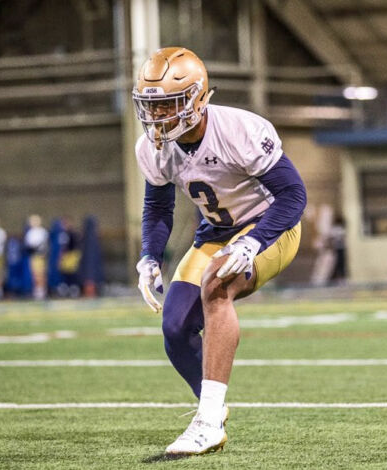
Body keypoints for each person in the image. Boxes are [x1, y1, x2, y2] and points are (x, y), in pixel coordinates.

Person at [133, 47, 306, 455]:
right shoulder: (153, 148)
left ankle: (207, 422)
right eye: (151, 106)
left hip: (270, 227)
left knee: (216, 281)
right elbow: (157, 208)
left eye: (168, 104)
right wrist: (150, 256)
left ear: (196, 98)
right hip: (216, 233)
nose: (157, 116)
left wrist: (252, 242)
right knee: (175, 327)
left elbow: (293, 195)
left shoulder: (239, 129)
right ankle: (212, 408)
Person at [24, 214, 49, 300]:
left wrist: (43, 252)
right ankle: (37, 289)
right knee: (34, 273)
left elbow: (44, 245)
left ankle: (42, 290)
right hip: (33, 255)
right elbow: (29, 245)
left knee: (40, 273)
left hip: (40, 255)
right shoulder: (30, 232)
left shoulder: (42, 232)